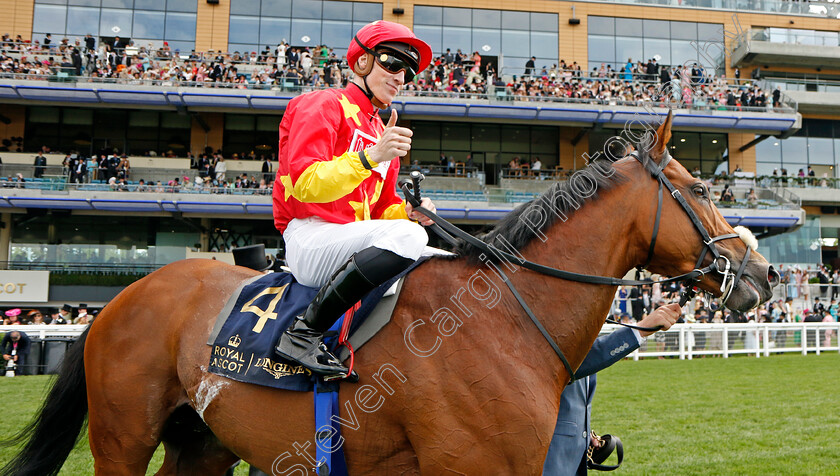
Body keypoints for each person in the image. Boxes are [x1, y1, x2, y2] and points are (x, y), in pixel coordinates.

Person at [272, 21, 435, 378]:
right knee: (409, 239)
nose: (400, 77)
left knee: (447, 261)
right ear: (362, 61)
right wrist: (368, 158)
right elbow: (303, 184)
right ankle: (303, 334)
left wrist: (408, 212)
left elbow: (379, 211)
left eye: (407, 71)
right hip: (308, 236)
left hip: (353, 241)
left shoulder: (382, 134)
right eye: (392, 63)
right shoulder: (321, 104)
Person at [543, 303, 681, 475]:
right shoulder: (545, 313)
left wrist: (584, 432)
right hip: (549, 456)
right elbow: (573, 363)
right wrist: (639, 330)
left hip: (572, 454)